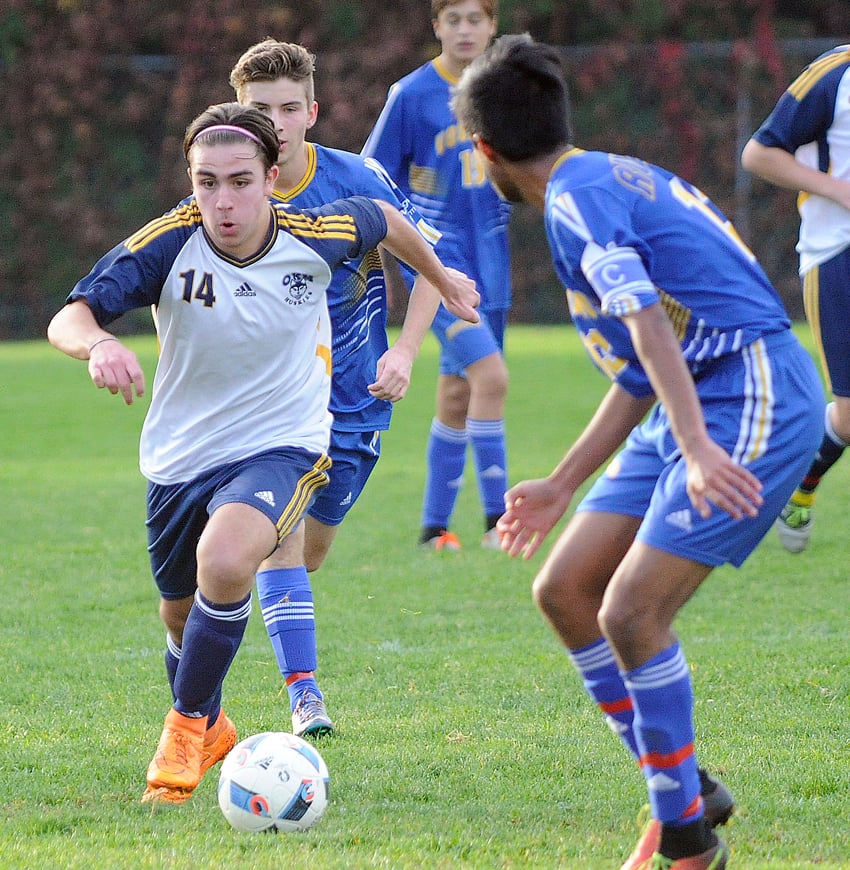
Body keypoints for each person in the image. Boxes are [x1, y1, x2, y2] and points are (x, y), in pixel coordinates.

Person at [452, 34, 824, 869]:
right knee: (567, 589)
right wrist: (561, 484)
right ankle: (687, 787)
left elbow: (655, 330)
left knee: (631, 612)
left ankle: (686, 841)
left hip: (752, 390)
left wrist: (695, 447)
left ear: (484, 152)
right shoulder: (598, 178)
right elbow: (641, 367)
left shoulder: (576, 200)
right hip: (691, 396)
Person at [47, 102, 479, 805]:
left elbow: (384, 218)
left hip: (285, 442)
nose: (223, 200)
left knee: (226, 559)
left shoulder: (316, 232)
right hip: (180, 456)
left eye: (241, 181)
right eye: (206, 181)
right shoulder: (168, 241)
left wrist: (442, 277)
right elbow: (71, 313)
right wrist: (98, 343)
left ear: (272, 177)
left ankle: (185, 729)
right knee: (181, 619)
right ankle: (213, 725)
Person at [228, 38, 447, 738]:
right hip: (272, 411)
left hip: (357, 403)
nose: (276, 122)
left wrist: (407, 351)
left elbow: (427, 272)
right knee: (279, 543)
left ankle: (282, 642)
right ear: (238, 113)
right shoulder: (223, 192)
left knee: (311, 552)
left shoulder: (359, 180)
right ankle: (306, 695)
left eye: (289, 108)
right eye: (260, 109)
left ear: (312, 111)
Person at [362, 0, 512, 552]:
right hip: (438, 271)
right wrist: (413, 242)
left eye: (476, 19)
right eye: (455, 20)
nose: (466, 30)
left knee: (456, 396)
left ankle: (434, 530)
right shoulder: (411, 95)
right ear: (437, 27)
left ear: (493, 26)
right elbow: (373, 178)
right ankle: (500, 523)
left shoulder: (503, 90)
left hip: (493, 268)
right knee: (492, 379)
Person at [741, 44, 850, 554]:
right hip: (838, 254)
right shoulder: (833, 74)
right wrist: (838, 190)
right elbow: (759, 153)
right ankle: (803, 479)